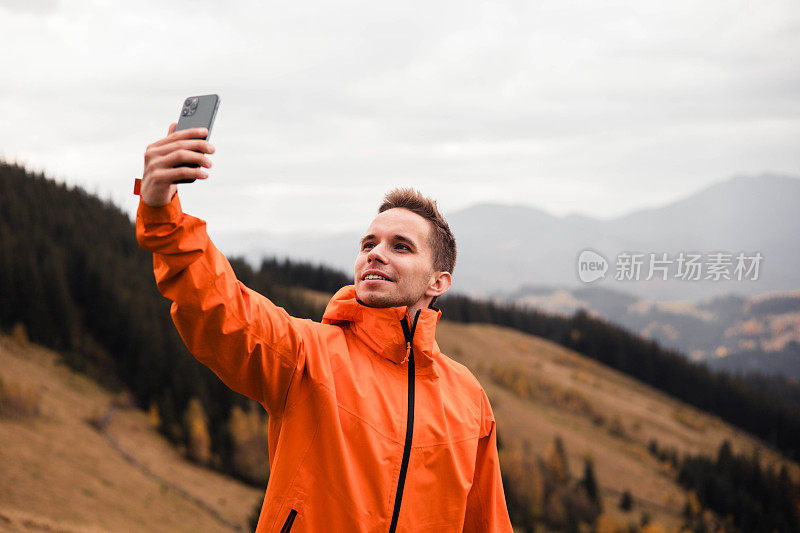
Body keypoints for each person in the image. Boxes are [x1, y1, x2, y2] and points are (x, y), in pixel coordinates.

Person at [135, 123, 513, 532]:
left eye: (400, 246)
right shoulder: (307, 354)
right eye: (369, 244)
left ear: (438, 283)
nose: (376, 255)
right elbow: (218, 306)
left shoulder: (470, 400)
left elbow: (487, 523)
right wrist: (163, 213)